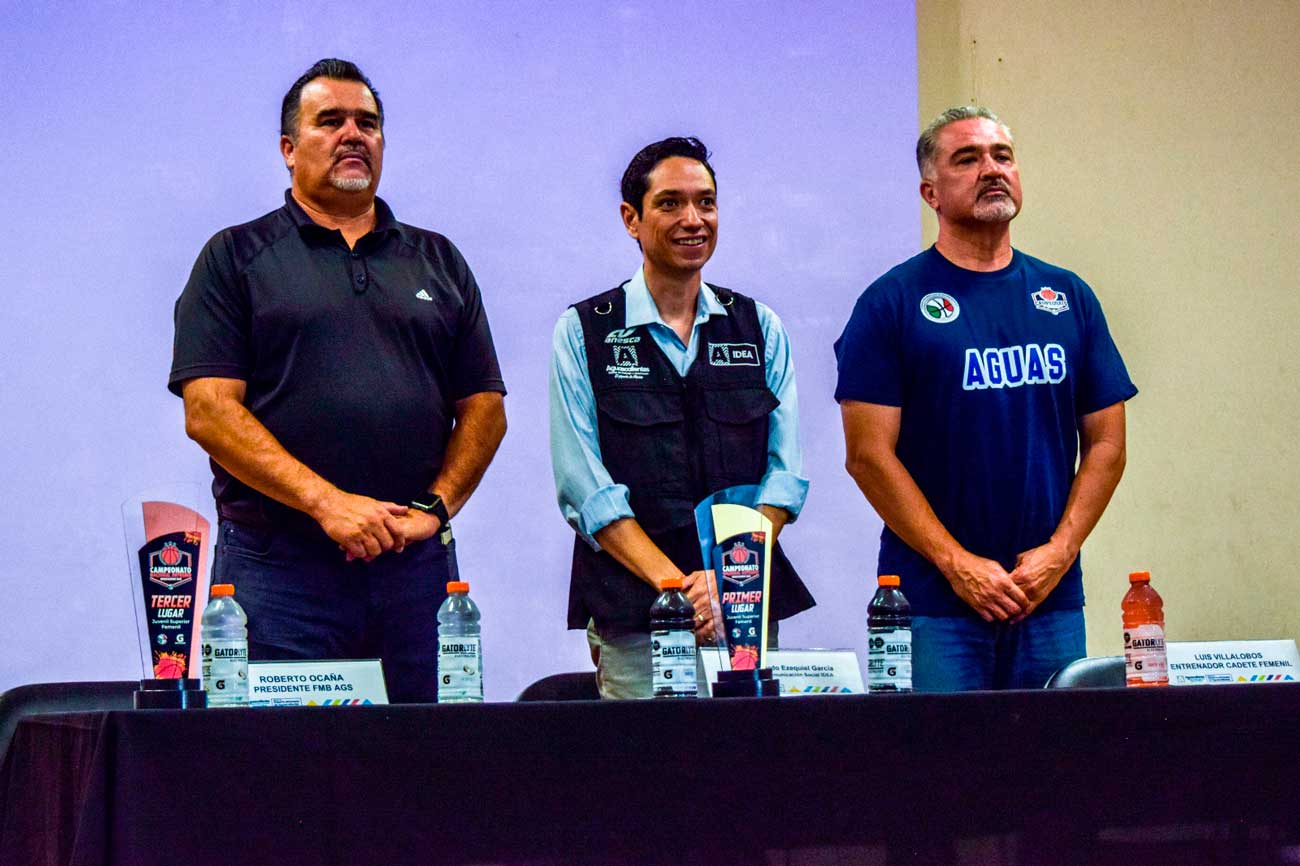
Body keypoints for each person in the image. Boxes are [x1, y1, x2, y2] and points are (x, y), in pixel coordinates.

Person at [169, 59, 507, 703]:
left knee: (427, 770)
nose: (355, 134)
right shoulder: (235, 256)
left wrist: (432, 512)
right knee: (283, 776)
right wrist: (327, 504)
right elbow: (209, 411)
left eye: (369, 123)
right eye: (331, 121)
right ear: (288, 150)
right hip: (278, 571)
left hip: (415, 569)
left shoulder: (437, 259)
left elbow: (485, 408)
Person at [835, 107, 1137, 691]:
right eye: (967, 159)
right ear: (930, 192)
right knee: (941, 776)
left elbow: (1108, 443)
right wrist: (956, 564)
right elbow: (868, 456)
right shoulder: (890, 303)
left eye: (1002, 156)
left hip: (1046, 597)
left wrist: (1060, 551)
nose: (991, 169)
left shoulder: (1068, 296)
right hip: (931, 605)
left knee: (1051, 774)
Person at [549, 136, 815, 699]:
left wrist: (726, 583)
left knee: (748, 775)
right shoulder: (584, 331)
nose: (693, 219)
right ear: (632, 218)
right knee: (644, 778)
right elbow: (586, 489)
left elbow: (784, 475)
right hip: (634, 615)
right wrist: (677, 586)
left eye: (707, 202)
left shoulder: (759, 326)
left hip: (740, 611)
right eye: (670, 203)